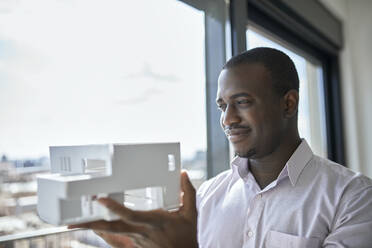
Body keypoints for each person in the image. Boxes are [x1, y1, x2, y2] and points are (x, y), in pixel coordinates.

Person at [69, 47, 372, 247]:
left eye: (242, 102)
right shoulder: (206, 197)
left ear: (288, 103)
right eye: (222, 106)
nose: (227, 119)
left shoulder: (354, 198)